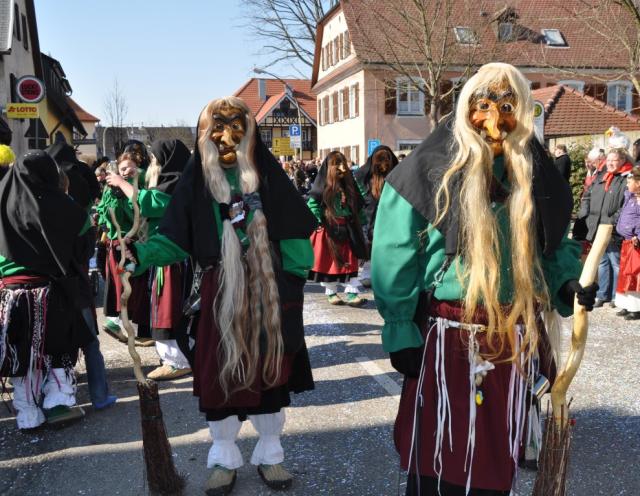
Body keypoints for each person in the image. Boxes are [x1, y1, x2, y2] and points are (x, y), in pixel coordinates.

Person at [372, 63, 594, 495]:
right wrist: (399, 327)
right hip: (450, 339)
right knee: (441, 458)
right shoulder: (428, 167)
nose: (494, 119)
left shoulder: (533, 171)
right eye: (484, 105)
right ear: (466, 108)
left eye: (508, 107)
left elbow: (550, 245)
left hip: (513, 340)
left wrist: (567, 283)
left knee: (494, 460)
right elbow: (393, 252)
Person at [125, 96, 317, 494]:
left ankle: (270, 453)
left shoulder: (268, 176)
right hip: (218, 293)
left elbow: (296, 237)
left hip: (268, 290)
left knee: (268, 373)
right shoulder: (196, 182)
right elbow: (173, 239)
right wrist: (139, 256)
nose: (226, 137)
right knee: (219, 374)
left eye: (235, 127)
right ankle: (223, 457)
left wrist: (292, 284)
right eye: (218, 128)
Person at [0, 151, 97, 428]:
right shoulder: (65, 208)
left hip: (10, 294)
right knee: (58, 349)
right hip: (51, 292)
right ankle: (58, 405)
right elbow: (83, 248)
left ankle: (27, 415)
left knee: (23, 355)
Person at [143, 139, 193, 380]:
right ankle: (174, 357)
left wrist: (123, 185)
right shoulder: (171, 183)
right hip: (165, 257)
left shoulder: (176, 185)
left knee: (169, 308)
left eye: (155, 160)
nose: (152, 165)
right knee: (163, 306)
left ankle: (177, 360)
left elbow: (149, 204)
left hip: (173, 259)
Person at [96, 152, 154, 346]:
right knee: (122, 285)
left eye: (130, 167)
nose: (126, 171)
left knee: (133, 286)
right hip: (119, 244)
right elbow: (108, 215)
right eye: (122, 168)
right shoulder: (112, 188)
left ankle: (137, 328)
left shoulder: (143, 186)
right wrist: (115, 197)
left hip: (136, 244)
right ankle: (119, 324)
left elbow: (140, 213)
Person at [307, 151, 367, 307]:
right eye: (337, 164)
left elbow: (359, 205)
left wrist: (362, 223)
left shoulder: (350, 184)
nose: (342, 168)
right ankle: (331, 292)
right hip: (329, 229)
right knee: (331, 262)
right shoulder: (323, 186)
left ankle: (352, 294)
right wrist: (318, 221)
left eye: (343, 163)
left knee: (351, 260)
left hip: (349, 228)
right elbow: (313, 204)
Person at [578, 148, 633, 307]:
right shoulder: (601, 176)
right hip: (596, 225)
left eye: (613, 160)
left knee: (615, 261)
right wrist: (586, 215)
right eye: (608, 160)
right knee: (602, 261)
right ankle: (603, 294)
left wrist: (614, 221)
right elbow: (587, 195)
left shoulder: (626, 179)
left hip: (612, 228)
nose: (610, 163)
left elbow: (626, 204)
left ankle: (617, 296)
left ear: (622, 161)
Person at [355, 145, 399, 288]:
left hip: (390, 215)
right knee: (369, 243)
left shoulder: (397, 175)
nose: (383, 166)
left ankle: (385, 273)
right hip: (369, 215)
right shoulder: (362, 176)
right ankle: (367, 272)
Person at [613, 166, 640, 320]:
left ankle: (636, 307)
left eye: (630, 182)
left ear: (638, 183)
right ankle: (625, 304)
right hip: (626, 243)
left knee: (634, 275)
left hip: (635, 244)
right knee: (625, 274)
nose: (627, 184)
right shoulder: (629, 197)